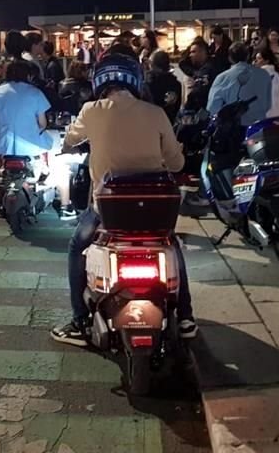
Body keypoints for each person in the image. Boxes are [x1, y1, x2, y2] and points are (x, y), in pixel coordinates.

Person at [51, 54, 196, 347]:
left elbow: (70, 140)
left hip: (108, 209)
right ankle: (184, 315)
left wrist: (69, 145)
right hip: (154, 210)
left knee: (77, 246)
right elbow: (177, 163)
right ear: (134, 81)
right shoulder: (155, 113)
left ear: (100, 82)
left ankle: (79, 319)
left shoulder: (91, 110)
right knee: (172, 246)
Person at [0, 59, 54, 199]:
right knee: (52, 141)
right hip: (30, 144)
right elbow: (42, 123)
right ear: (28, 75)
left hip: (3, 143)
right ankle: (44, 169)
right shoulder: (35, 92)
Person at [206, 42, 272, 127]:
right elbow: (267, 104)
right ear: (247, 56)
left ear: (230, 58)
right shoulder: (264, 75)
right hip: (257, 127)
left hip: (232, 128)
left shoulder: (222, 77)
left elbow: (213, 107)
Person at [178, 38, 218, 115]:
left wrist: (186, 110)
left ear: (202, 52)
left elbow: (196, 94)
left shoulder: (206, 70)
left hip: (203, 112)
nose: (190, 55)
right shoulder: (210, 65)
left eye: (193, 52)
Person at [146, 49, 182, 123]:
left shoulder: (147, 83)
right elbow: (176, 107)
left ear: (152, 64)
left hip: (149, 123)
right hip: (168, 123)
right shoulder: (176, 84)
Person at [254, 48, 279, 118]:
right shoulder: (276, 74)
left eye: (259, 58)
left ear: (267, 60)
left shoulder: (259, 74)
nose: (256, 61)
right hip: (275, 112)